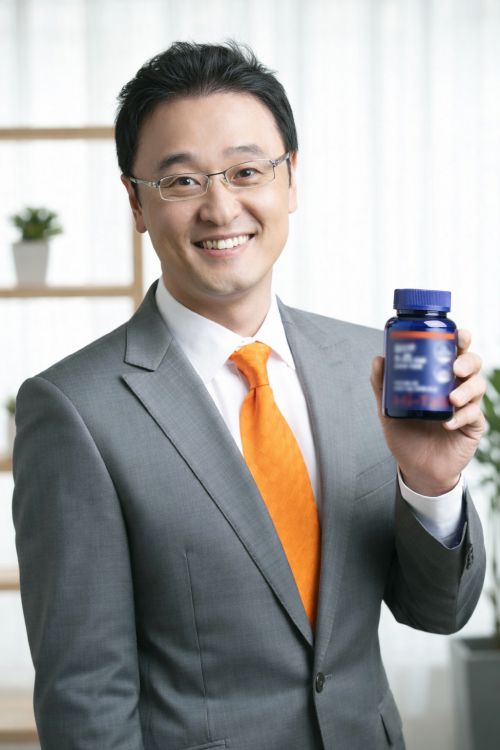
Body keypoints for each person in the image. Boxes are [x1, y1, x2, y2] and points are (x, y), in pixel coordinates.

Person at [13, 41, 486, 750]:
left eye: (246, 171)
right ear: (136, 201)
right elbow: (85, 700)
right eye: (181, 181)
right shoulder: (75, 411)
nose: (221, 207)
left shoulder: (372, 368)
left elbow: (438, 612)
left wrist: (431, 485)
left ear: (290, 179)